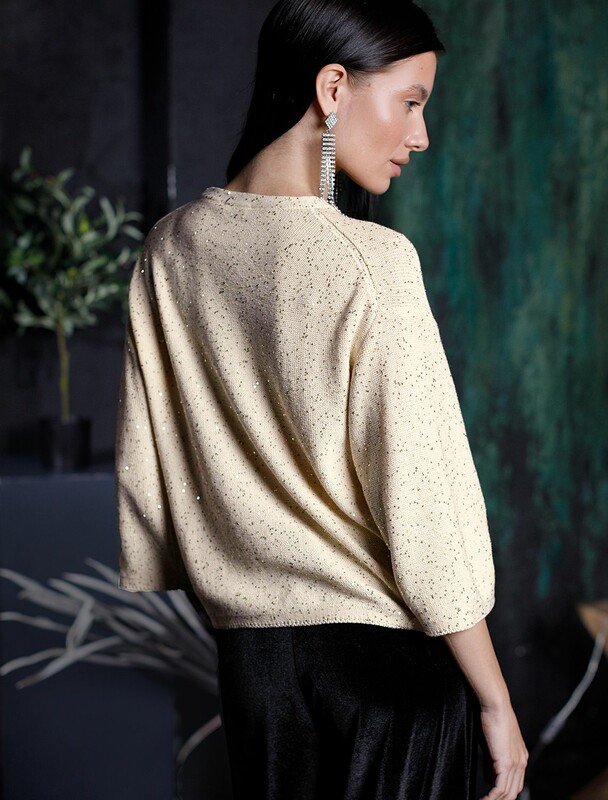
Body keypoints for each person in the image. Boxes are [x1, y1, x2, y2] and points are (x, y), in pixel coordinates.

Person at [114, 0, 528, 798]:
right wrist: (496, 700)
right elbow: (423, 510)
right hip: (391, 681)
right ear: (334, 88)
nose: (421, 136)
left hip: (256, 678)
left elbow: (152, 488)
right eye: (411, 102)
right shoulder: (372, 262)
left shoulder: (167, 251)